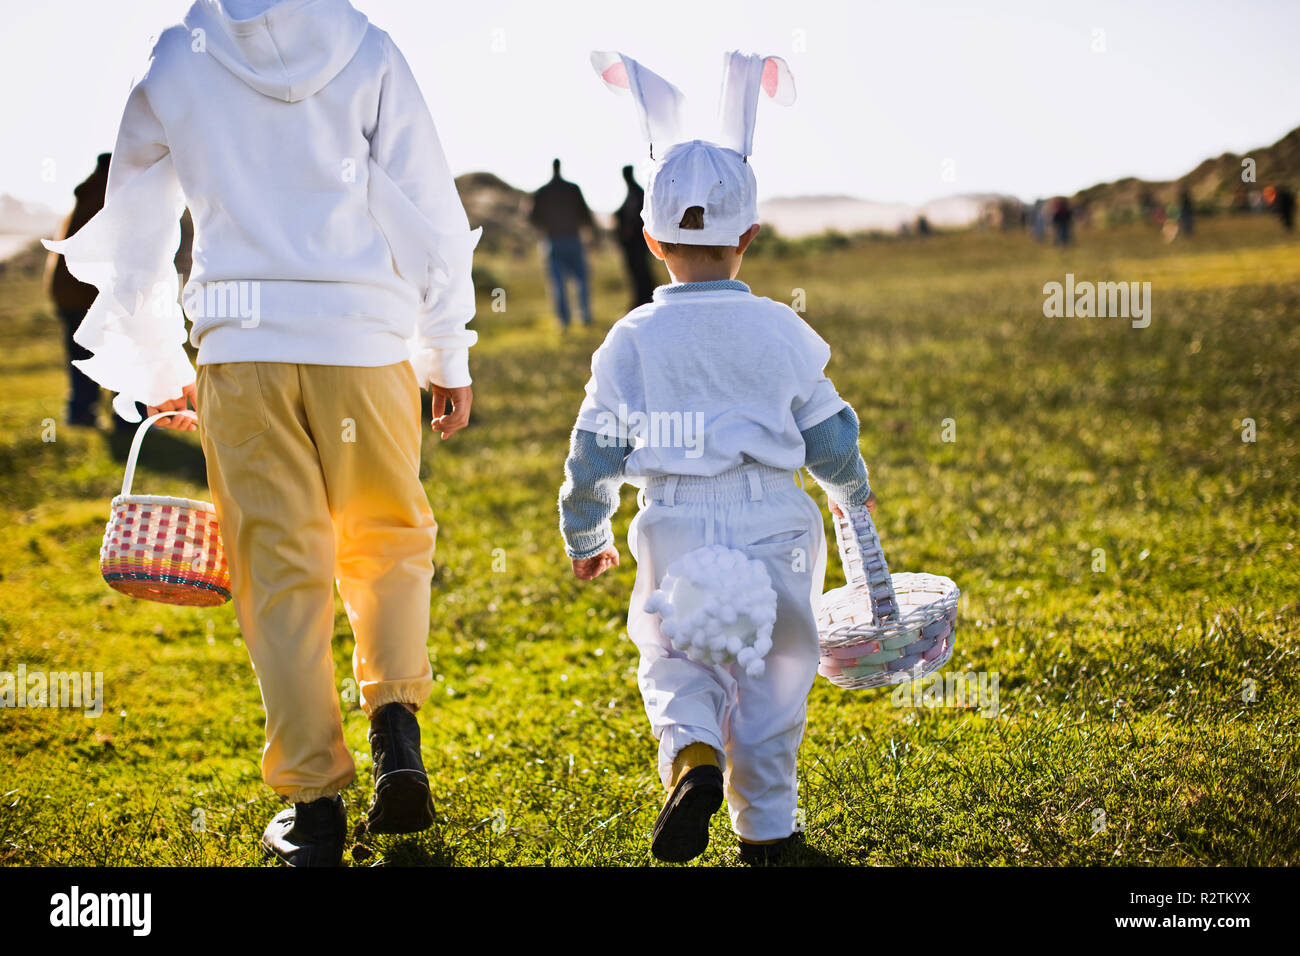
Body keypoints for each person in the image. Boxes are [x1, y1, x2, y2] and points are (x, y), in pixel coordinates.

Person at [44, 0, 480, 867]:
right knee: (389, 538)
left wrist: (157, 367)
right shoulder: (368, 45)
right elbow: (428, 203)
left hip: (243, 351)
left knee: (279, 573)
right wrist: (447, 348)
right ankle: (396, 722)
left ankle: (314, 803)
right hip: (364, 343)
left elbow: (133, 225)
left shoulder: (177, 55)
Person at [560, 51, 873, 865]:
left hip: (674, 523)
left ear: (650, 237)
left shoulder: (631, 339)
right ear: (751, 237)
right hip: (774, 520)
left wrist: (586, 534)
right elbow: (831, 435)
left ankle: (692, 751)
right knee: (770, 676)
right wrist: (852, 490)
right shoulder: (778, 328)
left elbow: (594, 451)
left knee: (676, 651)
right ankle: (767, 833)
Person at [45, 154, 190, 429]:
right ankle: (127, 420)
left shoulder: (86, 195)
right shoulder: (118, 194)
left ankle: (81, 413)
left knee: (82, 352)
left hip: (66, 290)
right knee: (130, 345)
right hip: (88, 292)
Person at [529, 159, 595, 328]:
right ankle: (585, 316)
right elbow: (585, 214)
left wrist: (545, 227)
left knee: (557, 283)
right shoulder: (572, 189)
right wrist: (591, 233)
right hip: (573, 238)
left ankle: (564, 321)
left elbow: (532, 217)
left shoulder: (542, 191)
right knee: (581, 279)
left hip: (553, 240)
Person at [614, 165, 655, 308]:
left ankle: (644, 298)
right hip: (635, 244)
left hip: (637, 244)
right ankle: (641, 298)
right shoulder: (634, 193)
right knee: (637, 272)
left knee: (641, 271)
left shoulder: (636, 194)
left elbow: (638, 219)